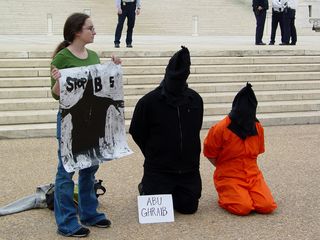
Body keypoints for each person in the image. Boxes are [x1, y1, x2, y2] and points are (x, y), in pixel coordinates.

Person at [51, 12, 121, 237]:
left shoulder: (92, 55)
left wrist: (112, 68)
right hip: (70, 121)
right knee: (66, 171)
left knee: (90, 167)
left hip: (90, 119)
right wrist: (57, 82)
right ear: (76, 32)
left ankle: (89, 212)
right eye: (90, 28)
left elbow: (97, 85)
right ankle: (66, 222)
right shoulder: (61, 58)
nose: (94, 31)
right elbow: (55, 95)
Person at [129, 46, 203, 214]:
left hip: (188, 170)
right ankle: (145, 186)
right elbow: (137, 131)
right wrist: (153, 152)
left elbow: (194, 129)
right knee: (159, 210)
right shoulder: (149, 101)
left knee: (188, 208)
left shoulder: (195, 100)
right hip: (159, 169)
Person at [203, 83, 277, 216]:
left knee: (267, 206)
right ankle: (227, 194)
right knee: (243, 208)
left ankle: (246, 194)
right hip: (229, 175)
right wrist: (223, 168)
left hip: (253, 175)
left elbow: (257, 153)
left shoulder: (257, 127)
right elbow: (210, 153)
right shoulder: (220, 128)